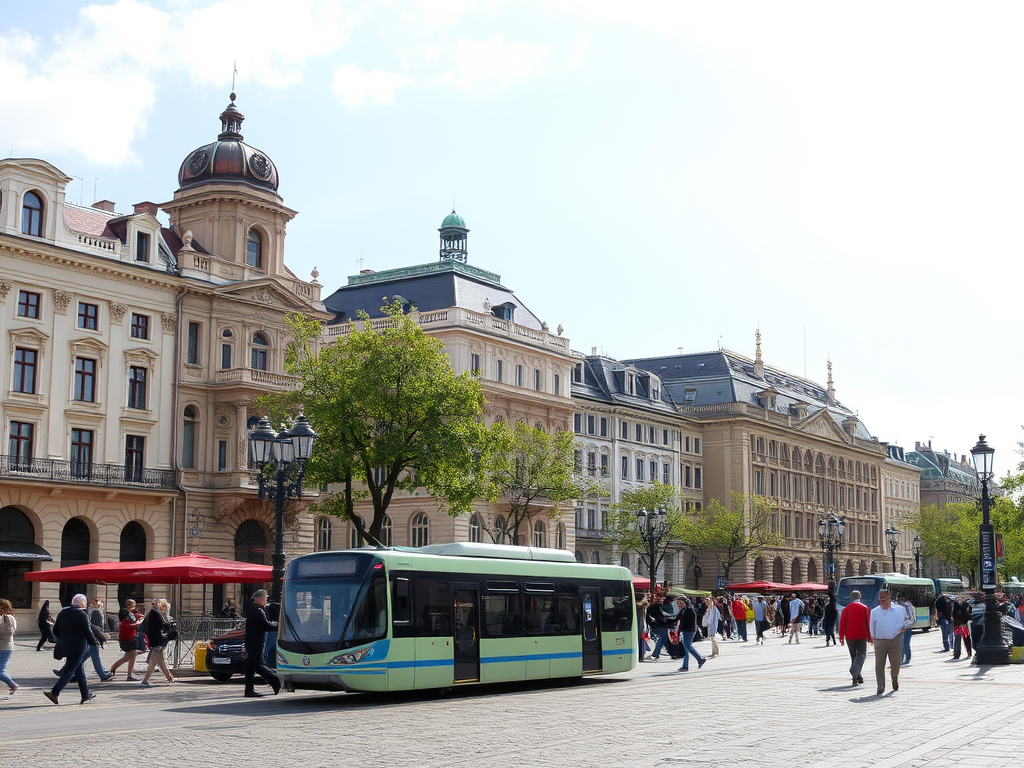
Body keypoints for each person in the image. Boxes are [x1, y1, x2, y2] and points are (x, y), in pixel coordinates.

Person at [46, 593, 96, 705]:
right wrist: (93, 642)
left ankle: (85, 695)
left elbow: (56, 631)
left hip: (65, 646)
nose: (86, 604)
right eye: (85, 602)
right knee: (70, 670)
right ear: (80, 603)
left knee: (79, 671)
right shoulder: (82, 615)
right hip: (78, 647)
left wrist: (64, 638)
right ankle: (54, 692)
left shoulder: (63, 613)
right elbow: (87, 631)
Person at [243, 589, 281, 697]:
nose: (266, 600)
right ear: (260, 598)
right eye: (265, 598)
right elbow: (266, 625)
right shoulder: (257, 610)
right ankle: (275, 680)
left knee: (251, 666)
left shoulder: (255, 609)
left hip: (252, 641)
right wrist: (278, 626)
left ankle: (249, 690)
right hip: (256, 642)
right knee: (257, 664)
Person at [870, 589, 906, 695]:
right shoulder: (875, 611)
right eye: (880, 600)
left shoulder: (899, 610)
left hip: (895, 640)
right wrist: (873, 639)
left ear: (889, 598)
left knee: (896, 662)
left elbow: (904, 622)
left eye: (884, 599)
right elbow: (872, 626)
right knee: (879, 664)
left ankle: (894, 677)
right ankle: (880, 686)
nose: (882, 602)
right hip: (880, 640)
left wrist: (902, 630)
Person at [139, 599, 177, 687]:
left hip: (155, 639)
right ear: (161, 606)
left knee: (161, 661)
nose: (165, 610)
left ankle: (169, 678)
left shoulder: (152, 613)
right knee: (153, 661)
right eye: (165, 608)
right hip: (157, 640)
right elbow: (166, 624)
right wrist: (166, 616)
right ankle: (145, 680)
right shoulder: (157, 614)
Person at [838, 589, 871, 686]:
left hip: (850, 636)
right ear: (859, 597)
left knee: (853, 656)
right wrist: (870, 636)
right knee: (861, 655)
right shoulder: (864, 608)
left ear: (851, 598)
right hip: (862, 635)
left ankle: (856, 676)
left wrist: (841, 637)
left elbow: (842, 624)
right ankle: (855, 672)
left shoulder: (846, 609)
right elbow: (868, 623)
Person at [109, 599, 144, 681]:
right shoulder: (125, 614)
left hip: (131, 637)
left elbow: (138, 617)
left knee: (131, 656)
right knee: (128, 656)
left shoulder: (131, 614)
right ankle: (114, 668)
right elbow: (130, 624)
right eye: (134, 605)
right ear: (129, 606)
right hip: (127, 638)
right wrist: (140, 622)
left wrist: (140, 617)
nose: (135, 607)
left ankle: (129, 674)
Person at [674, 597, 707, 672]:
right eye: (679, 603)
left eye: (681, 603)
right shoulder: (683, 610)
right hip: (685, 630)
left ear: (685, 602)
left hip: (689, 630)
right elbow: (676, 619)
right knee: (686, 647)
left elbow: (688, 621)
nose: (680, 605)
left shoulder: (689, 610)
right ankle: (685, 666)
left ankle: (700, 658)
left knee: (688, 645)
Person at [645, 594, 675, 660]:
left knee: (664, 639)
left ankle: (670, 653)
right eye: (660, 599)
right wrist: (669, 617)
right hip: (659, 625)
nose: (662, 600)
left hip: (657, 625)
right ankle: (657, 653)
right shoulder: (656, 607)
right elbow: (661, 615)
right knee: (663, 638)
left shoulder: (655, 606)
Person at [0, 599, 18, 696]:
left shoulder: (5, 619)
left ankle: (13, 684)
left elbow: (5, 632)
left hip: (4, 647)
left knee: (0, 671)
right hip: (7, 646)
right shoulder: (11, 618)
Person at [952, 594, 973, 660]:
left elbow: (954, 614)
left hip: (961, 624)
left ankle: (958, 654)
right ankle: (966, 653)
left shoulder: (963, 605)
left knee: (962, 639)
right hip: (962, 624)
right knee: (964, 639)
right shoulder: (962, 605)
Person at [897, 593, 915, 665]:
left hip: (906, 628)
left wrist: (904, 625)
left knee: (905, 644)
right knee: (902, 644)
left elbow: (911, 618)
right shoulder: (906, 606)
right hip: (903, 628)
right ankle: (902, 659)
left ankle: (907, 658)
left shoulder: (906, 606)